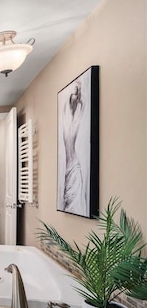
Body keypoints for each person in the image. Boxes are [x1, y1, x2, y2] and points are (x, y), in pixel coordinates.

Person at [61, 80, 87, 215]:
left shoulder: (76, 123)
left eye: (76, 94)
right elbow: (67, 107)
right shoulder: (66, 122)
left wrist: (80, 97)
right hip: (68, 167)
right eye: (72, 94)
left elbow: (82, 105)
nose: (73, 97)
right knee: (67, 200)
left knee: (73, 202)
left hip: (74, 165)